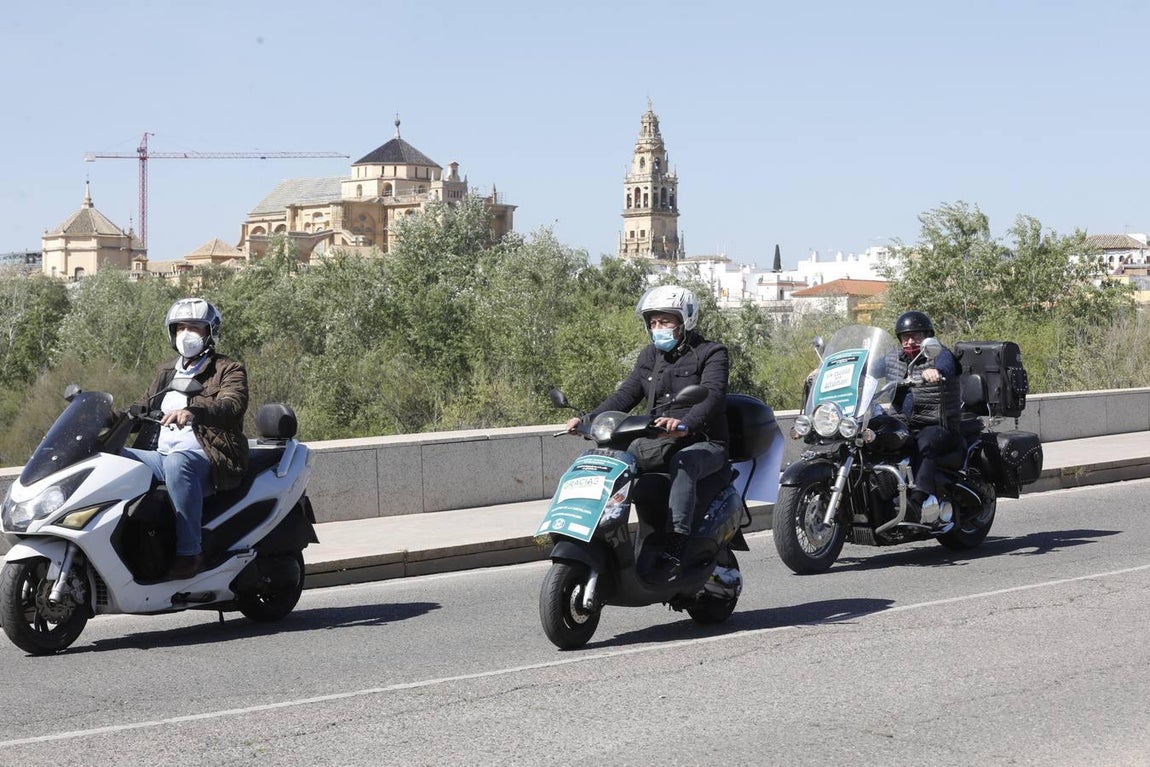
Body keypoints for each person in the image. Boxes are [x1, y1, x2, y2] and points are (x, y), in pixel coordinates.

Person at [565, 285, 729, 578]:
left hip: (703, 443)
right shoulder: (649, 355)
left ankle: (676, 542)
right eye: (653, 323)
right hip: (657, 441)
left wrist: (684, 424)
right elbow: (626, 395)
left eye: (665, 321)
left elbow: (712, 397)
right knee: (612, 459)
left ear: (685, 320)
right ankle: (596, 529)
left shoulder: (712, 353)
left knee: (684, 462)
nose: (658, 329)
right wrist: (586, 419)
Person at [122, 298, 249, 579]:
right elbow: (140, 409)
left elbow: (231, 405)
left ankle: (191, 554)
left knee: (178, 464)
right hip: (159, 456)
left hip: (210, 457)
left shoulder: (228, 369)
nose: (186, 334)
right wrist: (100, 419)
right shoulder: (167, 372)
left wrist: (193, 412)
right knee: (112, 457)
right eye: (180, 328)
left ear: (209, 333)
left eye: (195, 327)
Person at [888, 310, 963, 524]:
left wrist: (934, 372)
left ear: (928, 336)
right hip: (903, 423)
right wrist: (830, 370)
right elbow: (868, 368)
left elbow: (947, 366)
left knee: (924, 443)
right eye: (905, 337)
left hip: (939, 425)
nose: (910, 341)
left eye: (916, 336)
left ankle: (917, 501)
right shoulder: (894, 359)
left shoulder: (939, 353)